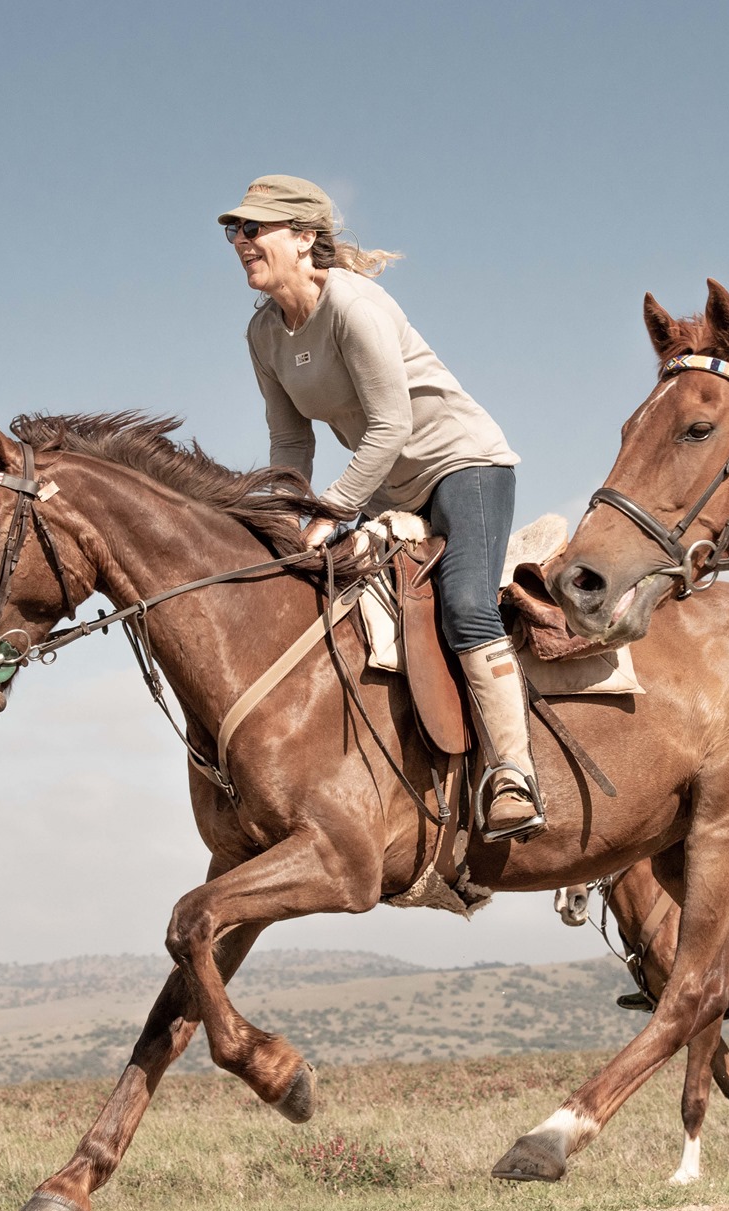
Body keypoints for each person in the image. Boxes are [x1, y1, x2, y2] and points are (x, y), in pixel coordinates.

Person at [219, 175, 542, 841]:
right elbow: (289, 441)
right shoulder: (263, 334)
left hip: (463, 465)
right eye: (235, 231)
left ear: (306, 237)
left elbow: (391, 426)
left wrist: (331, 510)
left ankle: (513, 772)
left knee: (465, 604)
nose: (241, 242)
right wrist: (283, 520)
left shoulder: (356, 306)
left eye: (256, 228)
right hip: (388, 491)